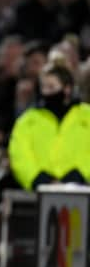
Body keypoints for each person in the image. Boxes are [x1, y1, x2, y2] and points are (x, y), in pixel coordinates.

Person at [8, 62, 90, 190]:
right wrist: (38, 179)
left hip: (83, 190)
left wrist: (80, 175)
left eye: (51, 87)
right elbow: (19, 155)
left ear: (67, 88)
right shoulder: (27, 120)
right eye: (43, 87)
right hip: (37, 194)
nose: (46, 92)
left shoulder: (87, 116)